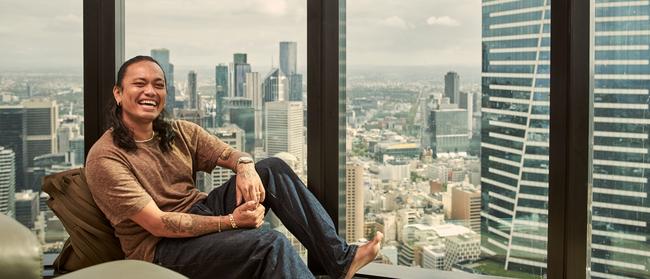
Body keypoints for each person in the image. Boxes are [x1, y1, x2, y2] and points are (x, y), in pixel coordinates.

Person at [85, 55, 382, 279]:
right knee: (269, 243)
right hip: (160, 249)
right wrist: (231, 222)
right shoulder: (106, 157)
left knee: (273, 168)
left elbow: (230, 153)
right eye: (139, 84)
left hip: (199, 213)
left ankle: (340, 260)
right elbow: (158, 223)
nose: (150, 91)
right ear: (118, 93)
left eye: (158, 85)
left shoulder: (178, 131)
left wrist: (245, 165)